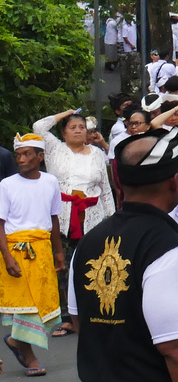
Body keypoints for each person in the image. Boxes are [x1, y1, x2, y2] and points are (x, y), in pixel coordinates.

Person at [70, 130, 178, 382]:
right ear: (175, 181)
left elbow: (81, 321)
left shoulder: (88, 242)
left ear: (119, 184)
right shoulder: (165, 249)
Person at [30, 107, 113, 335]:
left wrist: (111, 218)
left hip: (92, 215)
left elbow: (105, 188)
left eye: (82, 128)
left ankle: (93, 313)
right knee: (64, 265)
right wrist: (64, 113)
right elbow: (38, 127)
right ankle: (66, 317)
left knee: (93, 263)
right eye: (72, 127)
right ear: (64, 133)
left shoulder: (97, 153)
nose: (78, 131)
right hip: (63, 214)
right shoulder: (55, 149)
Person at [0, 135, 63, 373]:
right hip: (16, 251)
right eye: (18, 155)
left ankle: (17, 341)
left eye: (27, 154)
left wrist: (58, 251)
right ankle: (29, 356)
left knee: (45, 304)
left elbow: (54, 217)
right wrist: (7, 257)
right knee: (27, 306)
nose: (21, 159)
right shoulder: (7, 185)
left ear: (40, 157)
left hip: (43, 249)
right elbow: (0, 223)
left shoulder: (50, 182)